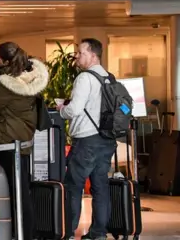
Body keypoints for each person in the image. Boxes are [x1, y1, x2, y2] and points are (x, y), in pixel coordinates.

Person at [0, 42, 49, 240]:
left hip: (7, 140)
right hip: (23, 140)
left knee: (16, 193)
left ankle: (23, 234)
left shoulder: (7, 85)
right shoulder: (32, 78)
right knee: (22, 191)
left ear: (3, 60)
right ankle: (26, 233)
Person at [57, 38, 117, 240]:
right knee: (100, 187)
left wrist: (61, 110)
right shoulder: (109, 77)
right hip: (106, 140)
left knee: (74, 186)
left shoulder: (85, 78)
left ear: (93, 55)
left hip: (86, 141)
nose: (77, 56)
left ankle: (68, 231)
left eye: (80, 52)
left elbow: (74, 109)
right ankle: (98, 233)